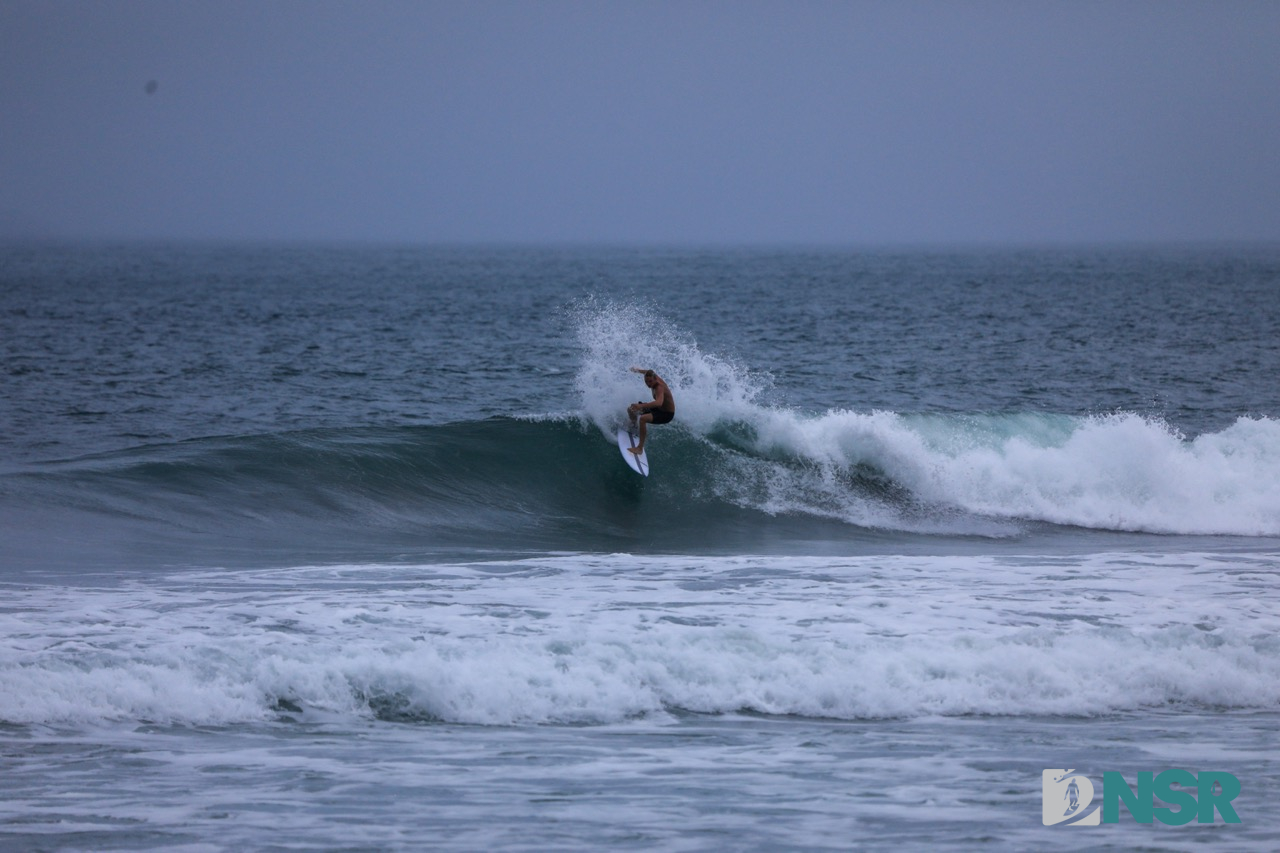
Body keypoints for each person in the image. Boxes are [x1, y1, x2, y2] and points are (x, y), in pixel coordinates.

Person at [626, 367, 675, 455]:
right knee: (631, 409)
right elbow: (647, 372)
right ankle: (634, 428)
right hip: (659, 409)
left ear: (655, 379)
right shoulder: (652, 376)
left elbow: (659, 403)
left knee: (643, 419)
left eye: (650, 381)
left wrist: (641, 405)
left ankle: (639, 448)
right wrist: (636, 370)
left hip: (666, 414)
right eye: (646, 381)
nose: (648, 384)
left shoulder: (659, 387)